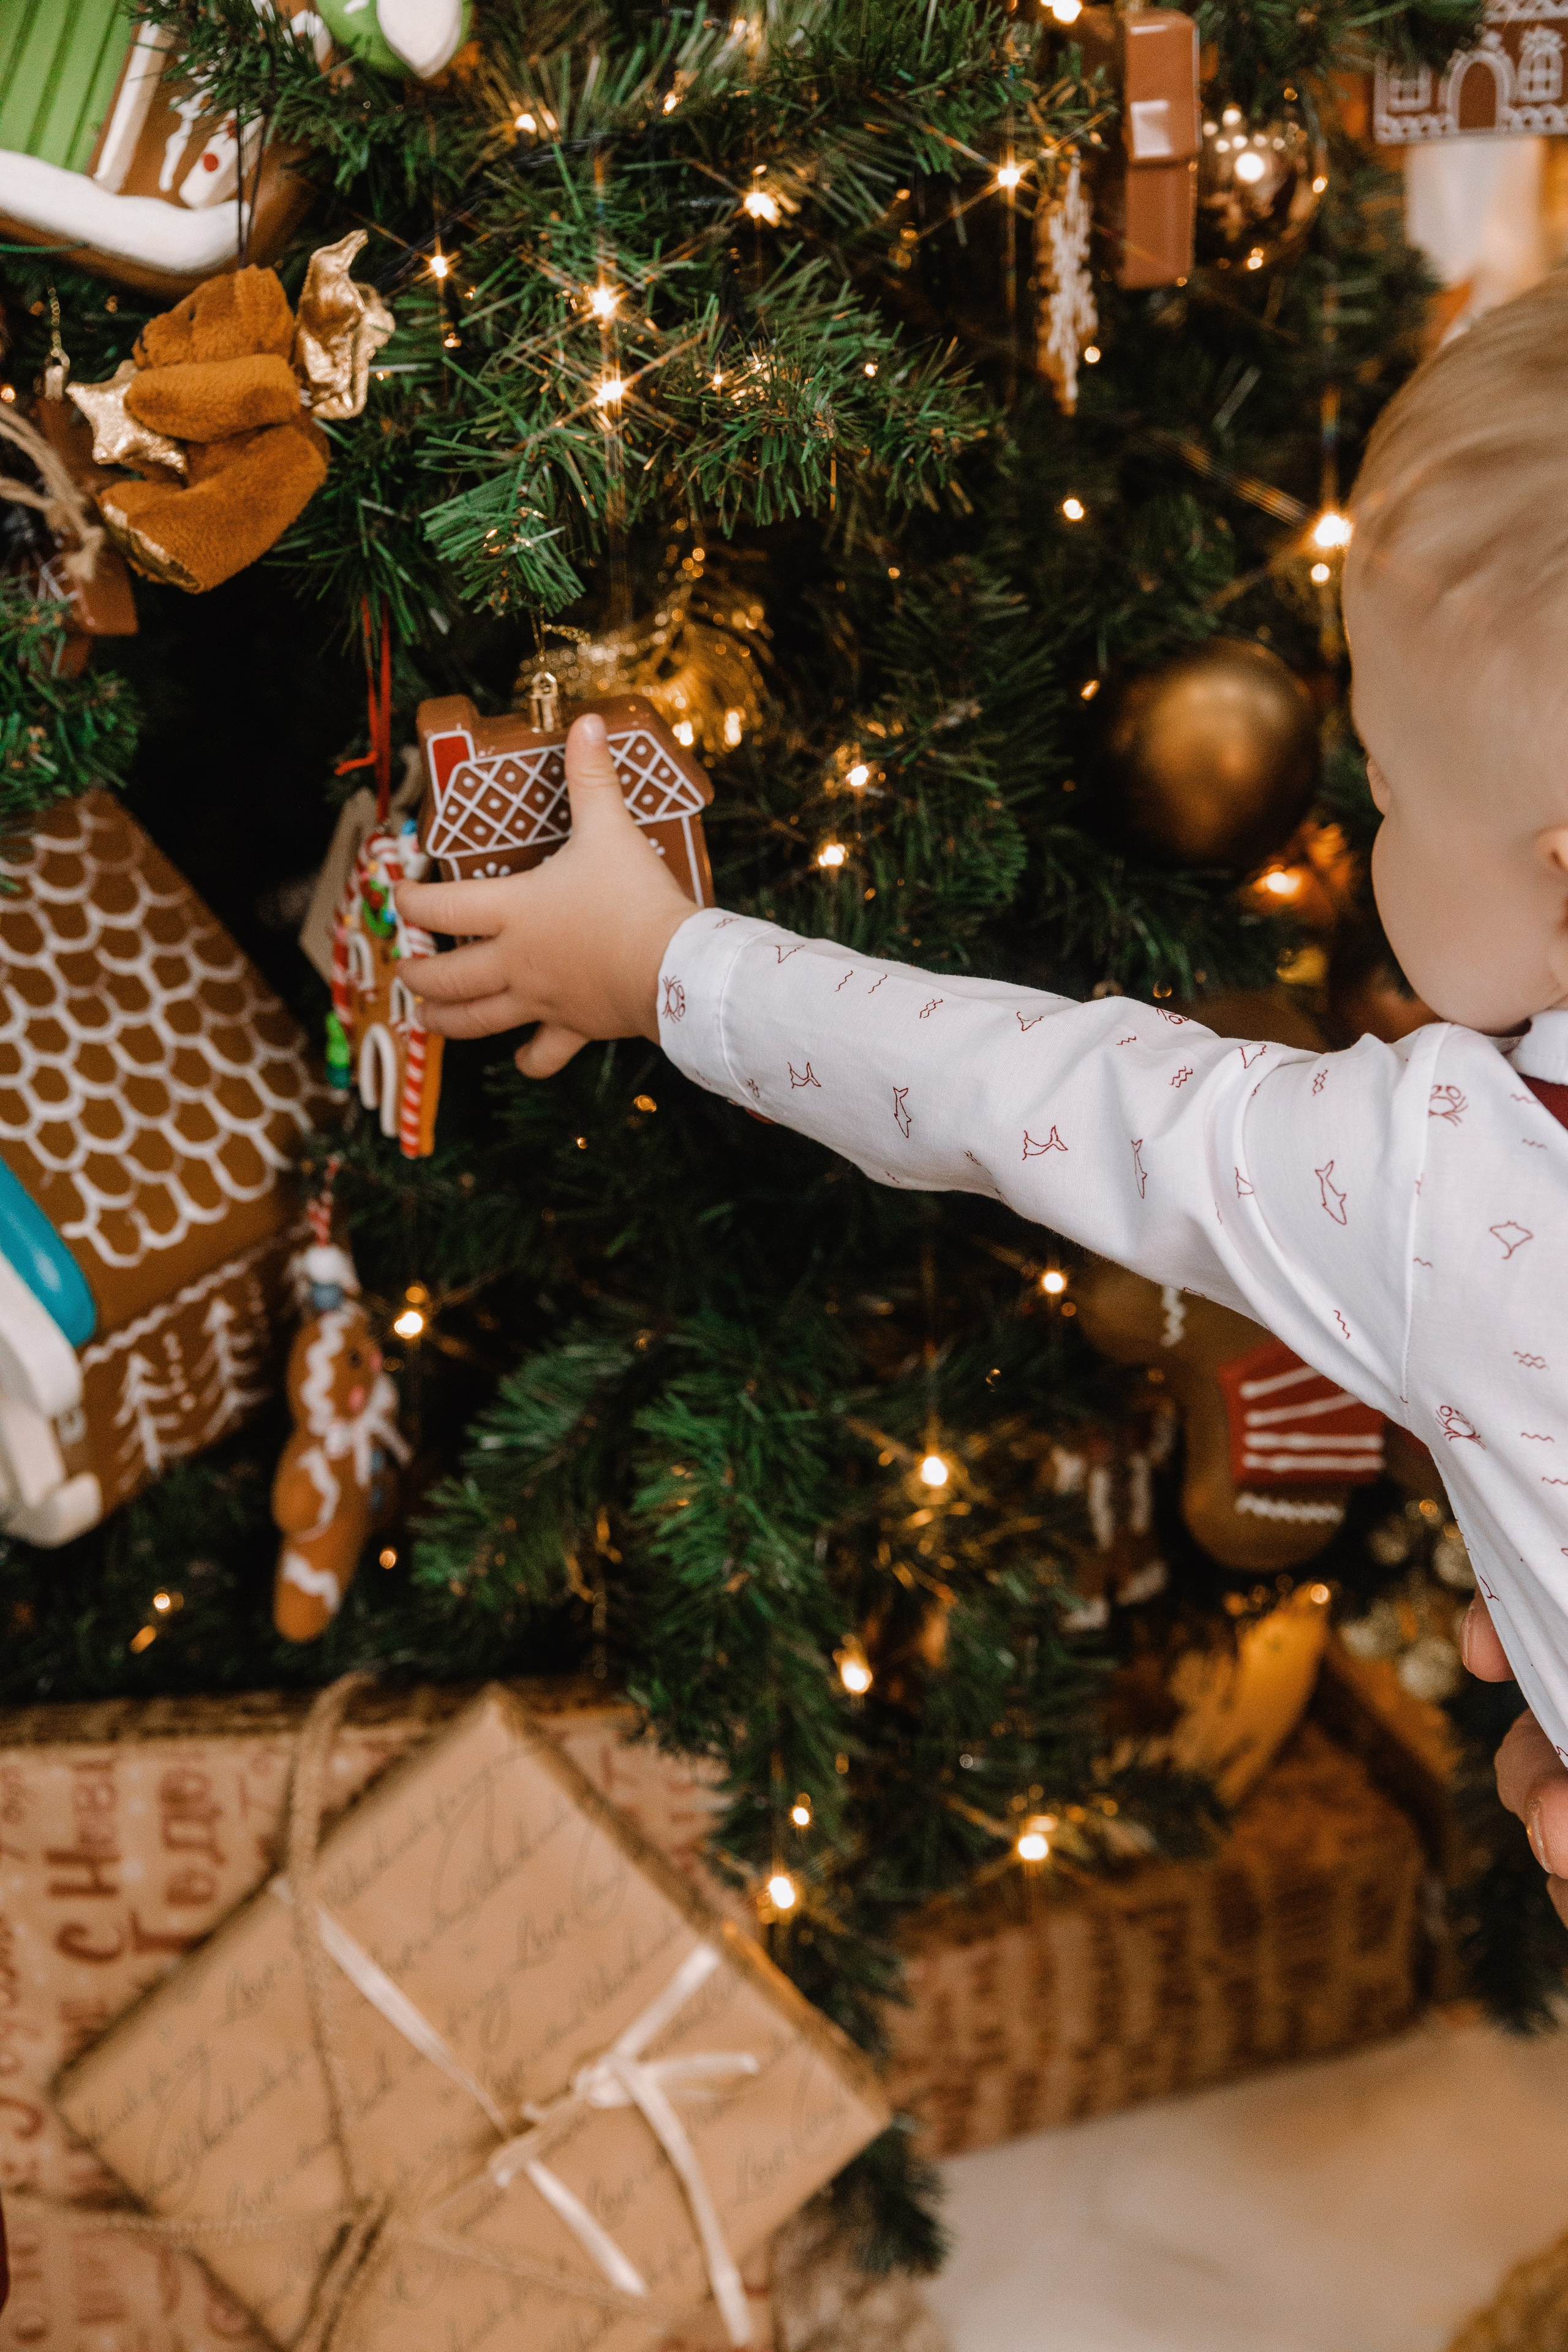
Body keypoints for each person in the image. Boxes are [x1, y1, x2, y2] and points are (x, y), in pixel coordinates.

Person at [398, 267, 1568, 1910]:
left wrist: (661, 966)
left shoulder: (1460, 1180)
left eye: (1388, 786)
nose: (1363, 825)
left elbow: (1025, 1093)